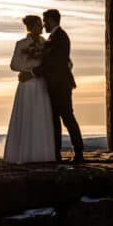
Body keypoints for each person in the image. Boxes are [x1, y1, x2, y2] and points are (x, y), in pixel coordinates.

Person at [33, 9, 84, 163]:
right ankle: (56, 154)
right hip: (55, 85)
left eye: (45, 20)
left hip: (61, 86)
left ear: (52, 20)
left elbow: (55, 62)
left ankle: (79, 153)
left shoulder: (60, 37)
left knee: (67, 118)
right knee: (55, 120)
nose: (44, 24)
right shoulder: (54, 37)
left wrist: (35, 71)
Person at [3, 15, 57, 164]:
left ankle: (40, 154)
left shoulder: (44, 43)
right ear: (31, 27)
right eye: (39, 25)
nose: (41, 28)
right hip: (26, 85)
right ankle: (23, 154)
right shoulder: (21, 44)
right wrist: (26, 69)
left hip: (40, 83)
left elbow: (47, 63)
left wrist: (33, 70)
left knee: (40, 116)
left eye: (41, 25)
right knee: (27, 115)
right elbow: (13, 65)